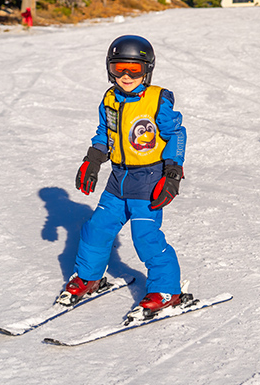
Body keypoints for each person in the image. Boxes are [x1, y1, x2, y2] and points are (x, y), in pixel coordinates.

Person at [57, 35, 187, 319]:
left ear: (147, 70)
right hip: (118, 179)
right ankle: (89, 277)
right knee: (96, 229)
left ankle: (167, 290)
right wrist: (93, 159)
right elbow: (105, 131)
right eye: (119, 68)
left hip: (149, 179)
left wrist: (173, 172)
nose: (126, 76)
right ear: (109, 69)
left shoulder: (157, 100)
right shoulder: (109, 98)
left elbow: (176, 134)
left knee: (145, 237)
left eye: (135, 69)